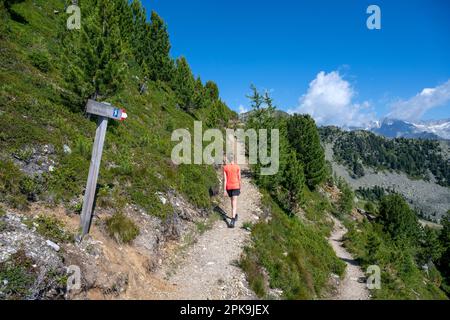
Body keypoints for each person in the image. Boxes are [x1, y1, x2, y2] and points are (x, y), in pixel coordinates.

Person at [223, 154, 241, 228]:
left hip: (229, 187)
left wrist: (224, 190)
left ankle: (234, 215)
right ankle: (233, 219)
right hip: (236, 186)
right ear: (234, 159)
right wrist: (240, 187)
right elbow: (239, 178)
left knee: (232, 202)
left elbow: (225, 180)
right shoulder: (237, 167)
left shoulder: (225, 167)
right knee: (234, 202)